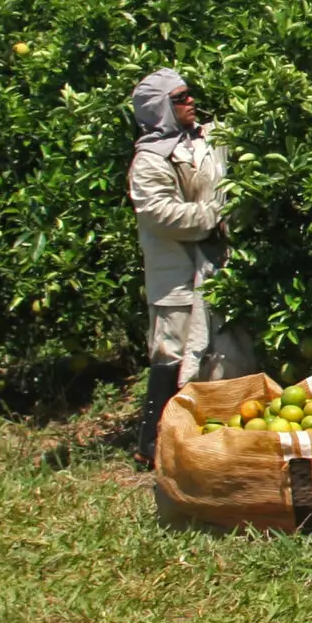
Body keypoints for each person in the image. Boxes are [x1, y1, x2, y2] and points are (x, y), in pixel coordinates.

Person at [127, 68, 254, 466]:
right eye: (179, 98)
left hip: (216, 268)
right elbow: (159, 213)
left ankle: (201, 440)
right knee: (172, 353)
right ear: (159, 108)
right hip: (176, 274)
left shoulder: (207, 138)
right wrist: (212, 215)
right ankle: (152, 443)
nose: (190, 102)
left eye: (188, 95)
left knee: (219, 353)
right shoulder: (148, 161)